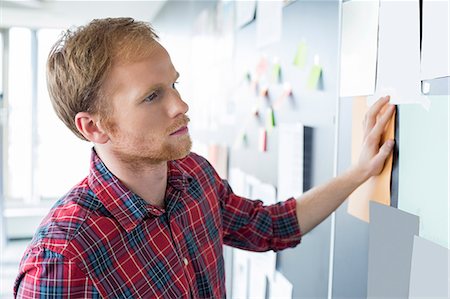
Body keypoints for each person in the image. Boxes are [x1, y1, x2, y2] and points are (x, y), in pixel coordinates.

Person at [13, 17, 395, 298]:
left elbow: (270, 226)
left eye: (173, 85)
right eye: (152, 96)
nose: (180, 105)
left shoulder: (194, 176)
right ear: (94, 128)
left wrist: (358, 172)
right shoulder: (63, 259)